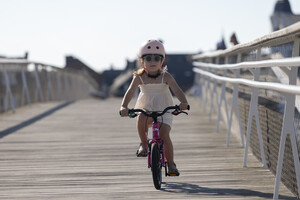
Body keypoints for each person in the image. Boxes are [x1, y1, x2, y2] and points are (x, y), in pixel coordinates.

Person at [119, 39, 189, 176]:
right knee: (142, 117)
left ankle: (171, 164)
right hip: (146, 108)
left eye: (157, 58)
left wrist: (183, 103)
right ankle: (144, 144)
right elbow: (130, 92)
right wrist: (124, 106)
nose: (152, 61)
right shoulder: (139, 77)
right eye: (148, 58)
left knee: (164, 135)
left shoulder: (166, 76)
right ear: (142, 61)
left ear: (162, 62)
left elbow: (178, 90)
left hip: (165, 109)